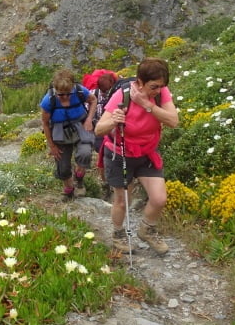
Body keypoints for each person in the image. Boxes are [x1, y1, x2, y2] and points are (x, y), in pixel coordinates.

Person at [94, 57, 179, 255]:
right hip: (120, 153)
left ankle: (146, 229)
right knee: (123, 201)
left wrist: (146, 103)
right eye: (153, 86)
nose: (158, 90)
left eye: (161, 86)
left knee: (159, 199)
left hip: (146, 151)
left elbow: (173, 121)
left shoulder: (160, 93)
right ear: (139, 82)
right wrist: (114, 121)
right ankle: (118, 234)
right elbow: (99, 130)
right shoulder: (121, 96)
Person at [39, 68, 97, 200]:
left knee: (85, 153)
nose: (64, 97)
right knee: (63, 166)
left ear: (72, 88)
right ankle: (69, 189)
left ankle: (79, 178)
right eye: (61, 94)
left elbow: (93, 100)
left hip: (80, 126)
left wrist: (89, 120)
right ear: (55, 90)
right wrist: (52, 146)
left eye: (68, 93)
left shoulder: (80, 91)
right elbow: (45, 124)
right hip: (59, 131)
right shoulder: (49, 100)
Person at [91, 72, 117, 189]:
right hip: (99, 130)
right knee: (101, 153)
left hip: (113, 130)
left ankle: (110, 179)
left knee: (109, 154)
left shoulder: (118, 94)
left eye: (107, 90)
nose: (105, 93)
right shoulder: (93, 94)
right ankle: (105, 181)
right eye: (103, 91)